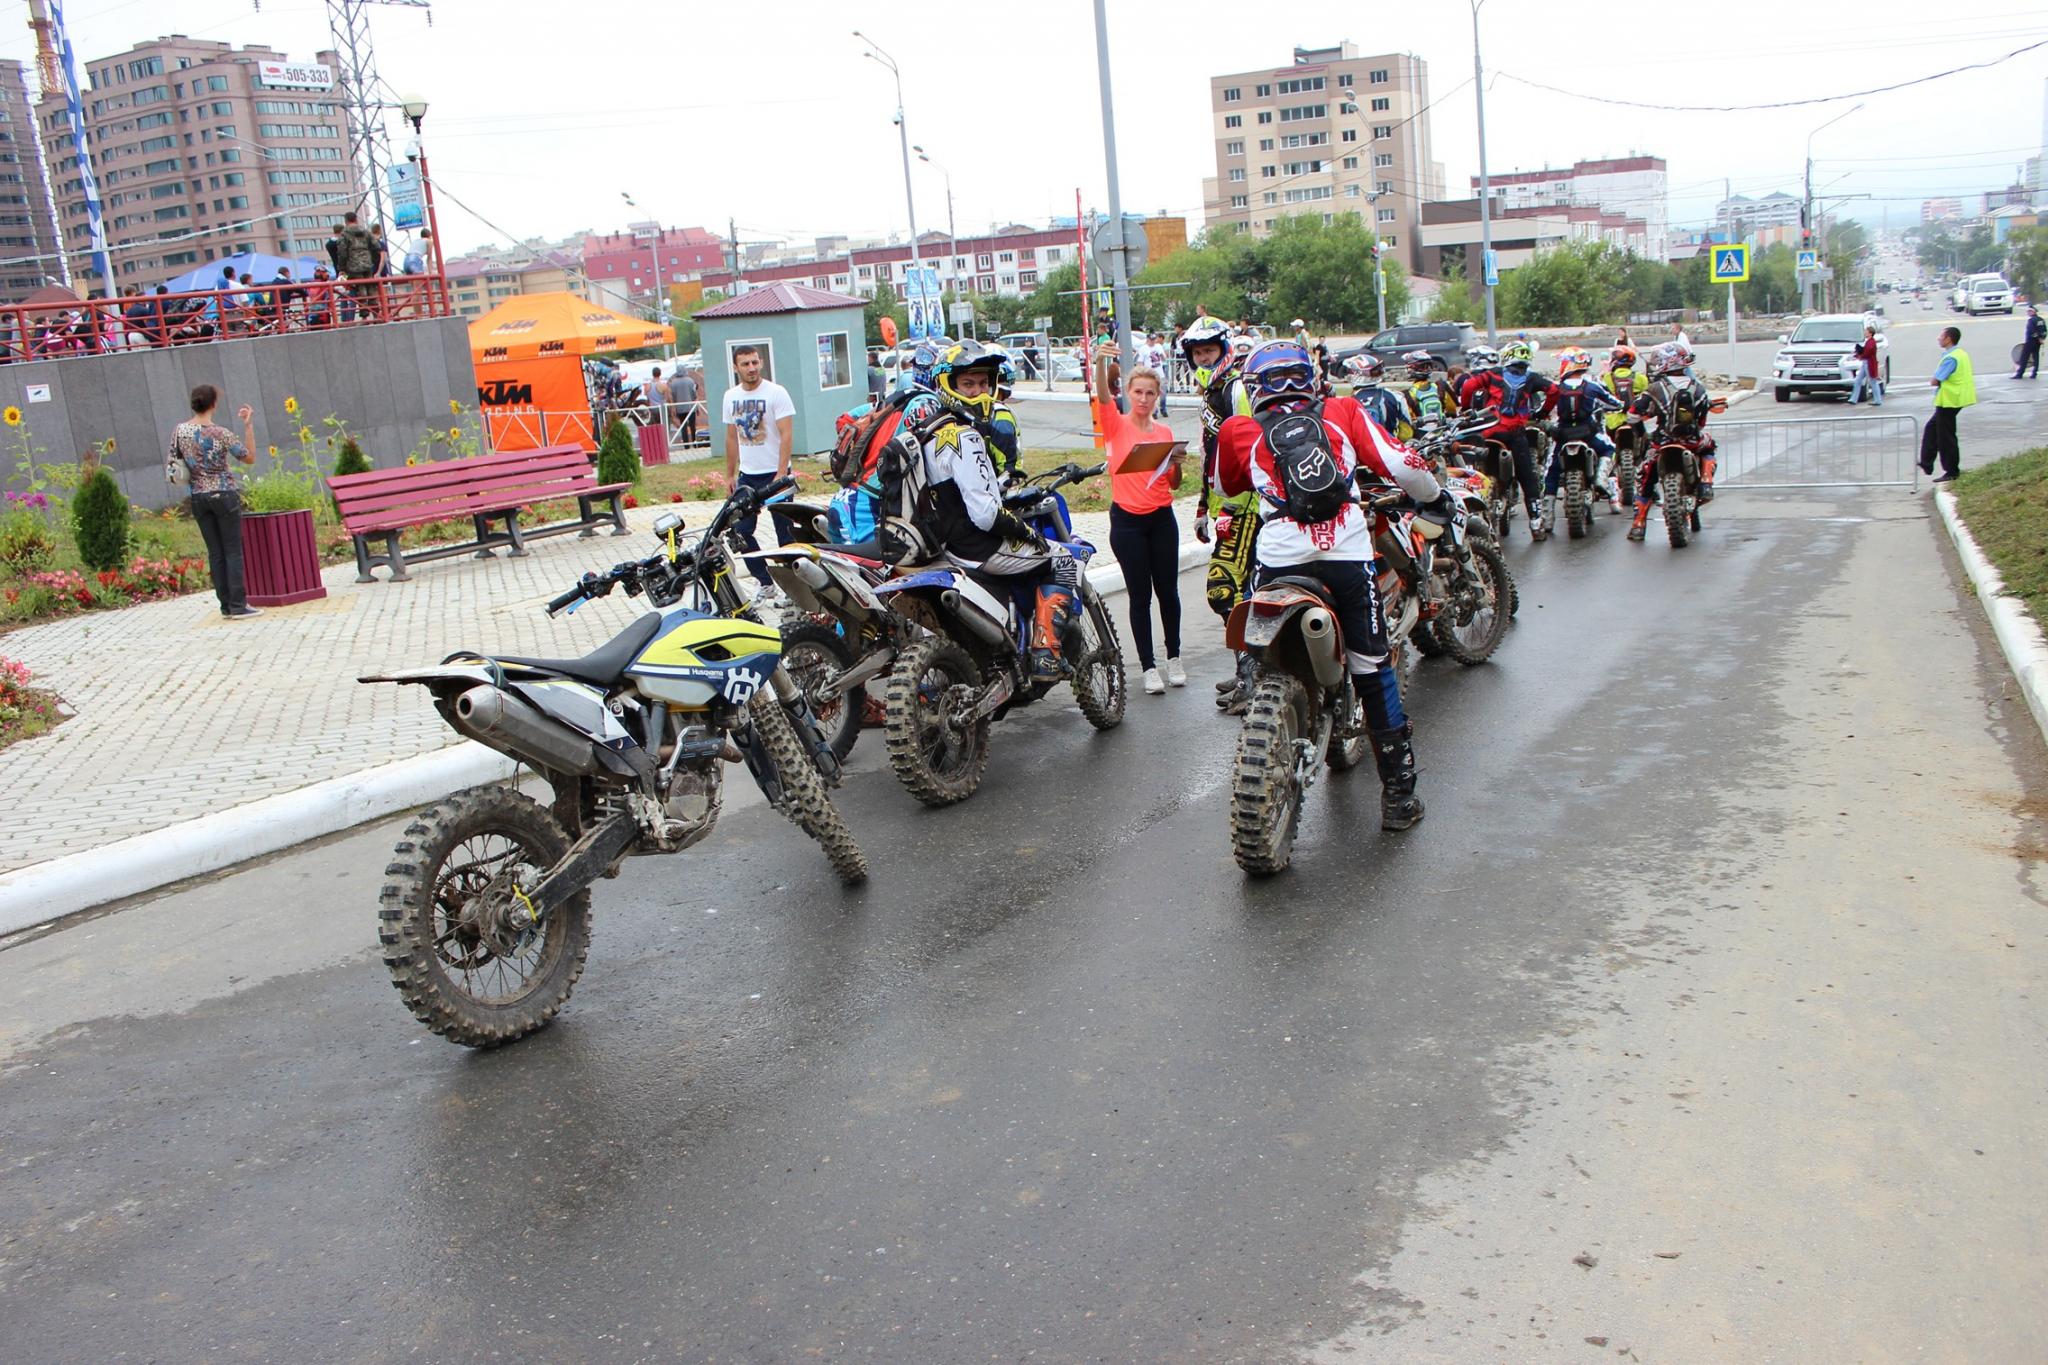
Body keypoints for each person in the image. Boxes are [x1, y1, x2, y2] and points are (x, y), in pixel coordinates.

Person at [1214, 338, 1453, 831]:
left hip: (1279, 564)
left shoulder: (1239, 430)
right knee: (1372, 665)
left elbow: (1224, 486)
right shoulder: (1343, 411)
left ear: (1253, 388)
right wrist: (1436, 499)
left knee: (1264, 656)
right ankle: (1399, 796)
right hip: (1345, 559)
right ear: (1311, 377)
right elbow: (1403, 463)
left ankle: (1265, 708)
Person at [921, 340, 1080, 680]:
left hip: (945, 545)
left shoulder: (929, 432)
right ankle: (1045, 654)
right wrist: (1026, 531)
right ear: (949, 386)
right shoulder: (965, 436)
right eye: (968, 384)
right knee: (1063, 559)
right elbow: (986, 514)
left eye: (983, 383)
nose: (979, 392)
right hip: (978, 546)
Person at [1094, 342, 1185, 695]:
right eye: (1138, 392)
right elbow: (1102, 395)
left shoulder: (1162, 433)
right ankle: (1148, 666)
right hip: (1128, 522)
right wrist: (1101, 362)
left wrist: (1175, 465)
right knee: (1139, 596)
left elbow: (1173, 482)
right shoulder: (1116, 425)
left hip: (1162, 518)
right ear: (1129, 393)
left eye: (1150, 393)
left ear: (1157, 395)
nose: (1144, 398)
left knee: (1168, 592)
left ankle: (1173, 657)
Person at [1182, 316, 1259, 710]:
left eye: (1209, 351)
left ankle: (1253, 674)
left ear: (1224, 351)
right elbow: (1210, 453)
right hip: (1223, 505)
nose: (1203, 358)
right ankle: (1249, 668)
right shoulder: (1210, 393)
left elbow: (1246, 449)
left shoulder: (1234, 390)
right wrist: (1201, 505)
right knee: (1242, 591)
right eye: (1197, 353)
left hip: (1245, 505)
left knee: (1222, 589)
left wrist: (1232, 504)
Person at [165, 383, 261, 619]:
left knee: (215, 552)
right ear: (213, 405)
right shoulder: (221, 433)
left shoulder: (180, 431)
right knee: (232, 551)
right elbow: (248, 458)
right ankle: (239, 605)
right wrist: (248, 426)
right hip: (224, 493)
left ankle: (226, 605)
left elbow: (172, 462)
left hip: (197, 496)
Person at [1459, 339, 1556, 540]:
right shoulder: (1531, 378)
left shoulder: (1493, 373)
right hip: (1515, 433)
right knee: (1527, 476)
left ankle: (1474, 518)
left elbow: (1468, 385)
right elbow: (1554, 391)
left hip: (1489, 431)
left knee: (1475, 470)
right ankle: (1536, 524)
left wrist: (1466, 408)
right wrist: (1543, 412)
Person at [1625, 342, 1719, 540]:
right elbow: (1701, 421)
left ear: (1666, 363)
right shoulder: (1698, 389)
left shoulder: (1655, 389)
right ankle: (1706, 482)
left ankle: (1639, 524)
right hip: (1692, 441)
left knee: (1646, 478)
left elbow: (1633, 416)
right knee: (1709, 445)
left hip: (1663, 443)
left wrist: (1642, 433)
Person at [722, 344, 796, 582]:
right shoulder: (731, 397)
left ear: (761, 363)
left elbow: (786, 434)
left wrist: (781, 473)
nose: (751, 368)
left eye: (755, 362)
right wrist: (730, 475)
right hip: (748, 476)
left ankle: (793, 587)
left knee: (785, 535)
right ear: (736, 367)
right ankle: (765, 581)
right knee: (740, 532)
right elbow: (732, 437)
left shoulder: (777, 392)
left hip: (776, 475)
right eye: (745, 364)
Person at [1541, 346, 1623, 526]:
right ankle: (1601, 477)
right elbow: (1615, 403)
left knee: (1551, 471)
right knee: (1610, 449)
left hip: (1562, 435)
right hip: (1588, 433)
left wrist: (1539, 417)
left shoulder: (1556, 388)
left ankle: (1546, 517)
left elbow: (1543, 410)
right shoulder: (1593, 386)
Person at [1921, 325, 1974, 484]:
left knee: (1946, 437)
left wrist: (1934, 380)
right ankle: (1926, 462)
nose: (1938, 338)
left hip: (1949, 400)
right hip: (1955, 399)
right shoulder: (1960, 353)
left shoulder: (1951, 358)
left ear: (1948, 339)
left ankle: (1951, 470)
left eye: (1941, 336)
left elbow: (1935, 380)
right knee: (1931, 428)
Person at [1342, 352, 1411, 440]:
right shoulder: (1396, 396)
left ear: (1356, 374)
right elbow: (1407, 434)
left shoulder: (1347, 403)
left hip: (1362, 451)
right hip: (1391, 449)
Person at [1400, 350, 1459, 440]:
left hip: (1422, 438)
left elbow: (1407, 423)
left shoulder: (1406, 395)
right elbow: (1453, 410)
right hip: (1442, 433)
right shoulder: (1440, 386)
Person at [1848, 324, 1883, 406]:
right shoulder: (1869, 342)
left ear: (1870, 333)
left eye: (1866, 332)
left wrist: (1859, 355)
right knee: (1858, 380)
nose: (1864, 333)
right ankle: (1853, 399)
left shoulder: (1871, 342)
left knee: (1873, 382)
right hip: (1866, 363)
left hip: (1869, 363)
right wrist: (1859, 353)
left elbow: (1867, 353)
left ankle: (1878, 400)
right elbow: (1866, 352)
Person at [670, 366, 700, 445]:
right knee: (693, 426)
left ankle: (686, 444)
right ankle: (694, 442)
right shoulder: (690, 381)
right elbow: (694, 395)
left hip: (680, 408)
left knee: (683, 426)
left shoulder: (673, 383)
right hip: (691, 407)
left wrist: (674, 408)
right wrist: (697, 408)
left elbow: (673, 396)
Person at [2014, 305, 2043, 380]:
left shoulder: (2032, 320)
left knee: (2024, 357)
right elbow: (2044, 331)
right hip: (2038, 342)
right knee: (2036, 357)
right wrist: (2041, 338)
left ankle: (2020, 374)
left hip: (2030, 341)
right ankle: (2034, 373)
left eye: (2029, 311)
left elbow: (2031, 332)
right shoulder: (2040, 319)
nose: (2028, 312)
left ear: (2033, 312)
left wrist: (2036, 337)